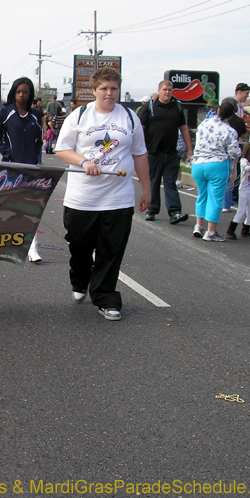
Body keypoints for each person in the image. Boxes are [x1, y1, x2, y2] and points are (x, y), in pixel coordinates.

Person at [54, 67, 150, 321]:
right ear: (94, 91)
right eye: (104, 88)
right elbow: (62, 150)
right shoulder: (80, 116)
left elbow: (139, 153)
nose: (109, 93)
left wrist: (147, 189)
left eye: (114, 88)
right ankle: (80, 280)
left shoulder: (130, 118)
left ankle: (105, 296)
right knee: (80, 248)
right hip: (82, 199)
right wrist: (84, 161)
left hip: (118, 198)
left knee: (111, 249)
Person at [0, 77, 44, 262]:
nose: (21, 95)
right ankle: (10, 240)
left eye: (25, 92)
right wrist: (9, 153)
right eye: (18, 91)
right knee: (13, 204)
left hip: (32, 167)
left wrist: (37, 161)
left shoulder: (37, 115)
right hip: (12, 166)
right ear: (13, 92)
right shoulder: (5, 112)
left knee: (32, 206)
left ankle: (32, 246)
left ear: (30, 94)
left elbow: (39, 140)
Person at [141, 80, 192, 224]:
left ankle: (175, 212)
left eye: (170, 90)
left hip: (171, 153)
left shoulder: (177, 108)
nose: (167, 92)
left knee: (171, 183)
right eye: (164, 89)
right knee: (154, 182)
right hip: (153, 152)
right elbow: (141, 128)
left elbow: (184, 128)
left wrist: (190, 149)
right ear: (159, 90)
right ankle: (151, 210)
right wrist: (140, 149)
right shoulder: (150, 107)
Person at [190, 99, 241, 242]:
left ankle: (198, 226)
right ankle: (211, 231)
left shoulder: (204, 124)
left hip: (198, 163)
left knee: (202, 196)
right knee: (215, 198)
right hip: (217, 164)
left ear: (218, 110)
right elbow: (234, 152)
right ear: (231, 116)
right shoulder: (229, 131)